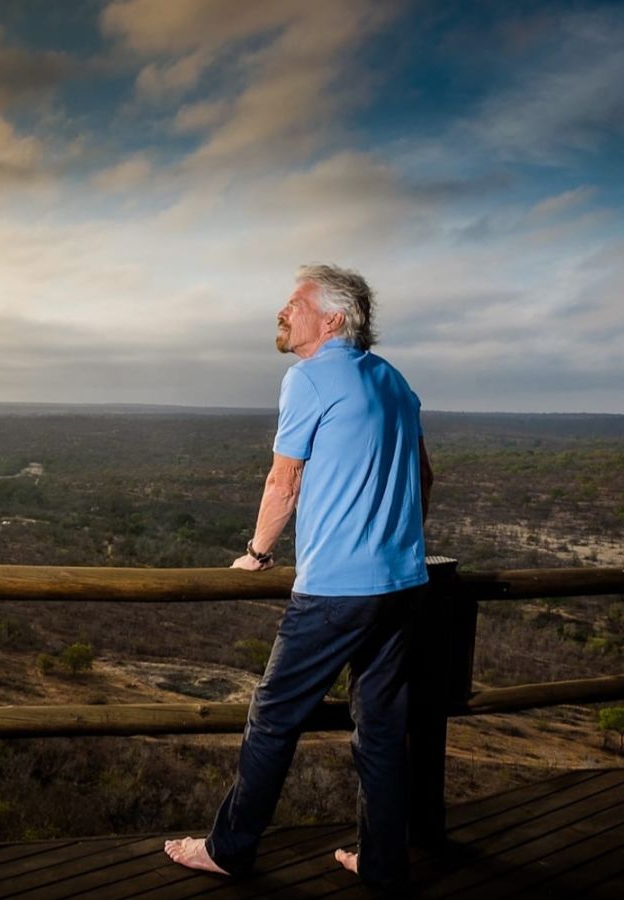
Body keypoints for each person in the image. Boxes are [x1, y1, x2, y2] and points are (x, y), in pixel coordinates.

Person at [164, 264, 432, 891]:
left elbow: (283, 483)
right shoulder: (395, 382)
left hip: (336, 589)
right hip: (401, 583)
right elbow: (423, 478)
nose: (282, 313)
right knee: (383, 729)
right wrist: (393, 539)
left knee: (272, 717)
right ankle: (383, 859)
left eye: (294, 304)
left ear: (332, 319)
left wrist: (255, 554)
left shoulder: (309, 378)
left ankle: (230, 848)